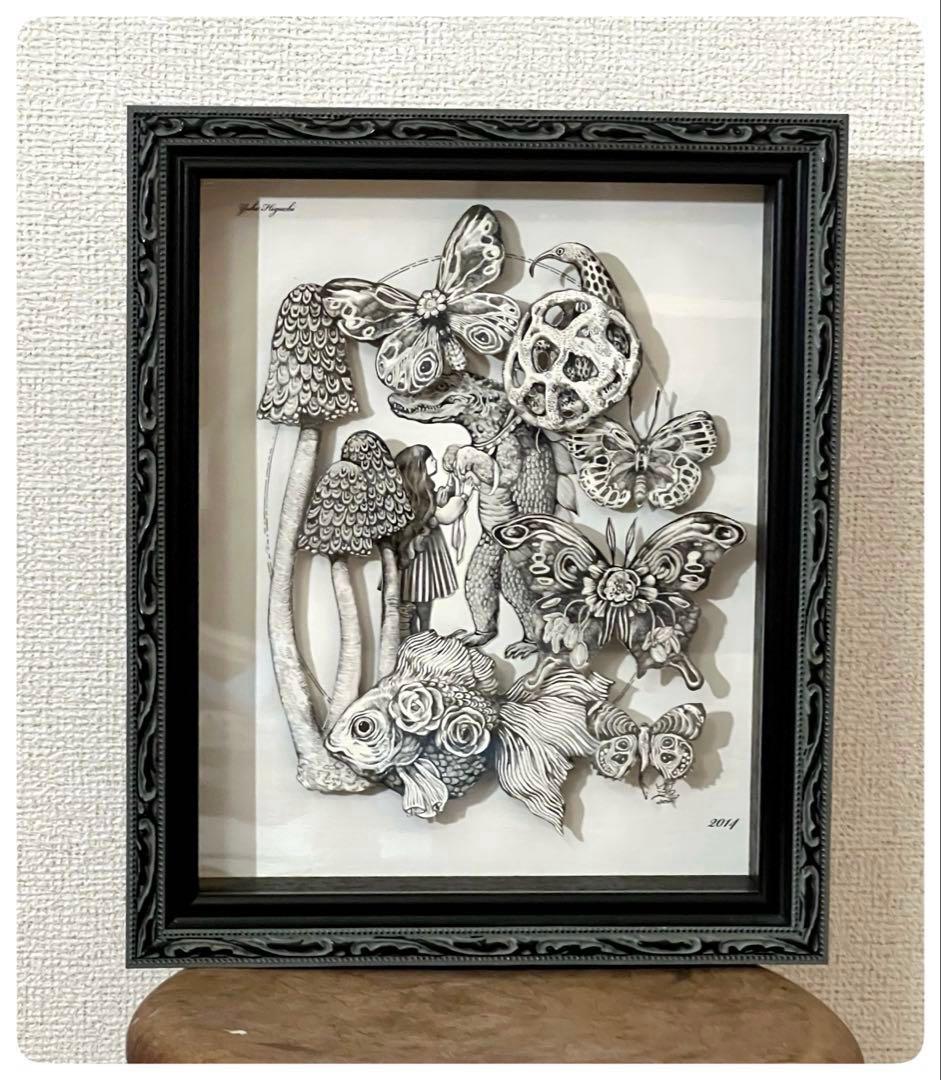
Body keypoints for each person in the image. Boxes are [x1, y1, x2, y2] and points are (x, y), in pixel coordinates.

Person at [394, 445, 467, 635]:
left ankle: (421, 632)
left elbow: (436, 507)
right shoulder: (417, 496)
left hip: (424, 549)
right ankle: (418, 633)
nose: (435, 461)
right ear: (420, 466)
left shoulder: (423, 490)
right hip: (421, 553)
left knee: (420, 595)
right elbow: (445, 516)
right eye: (431, 459)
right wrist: (463, 496)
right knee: (420, 593)